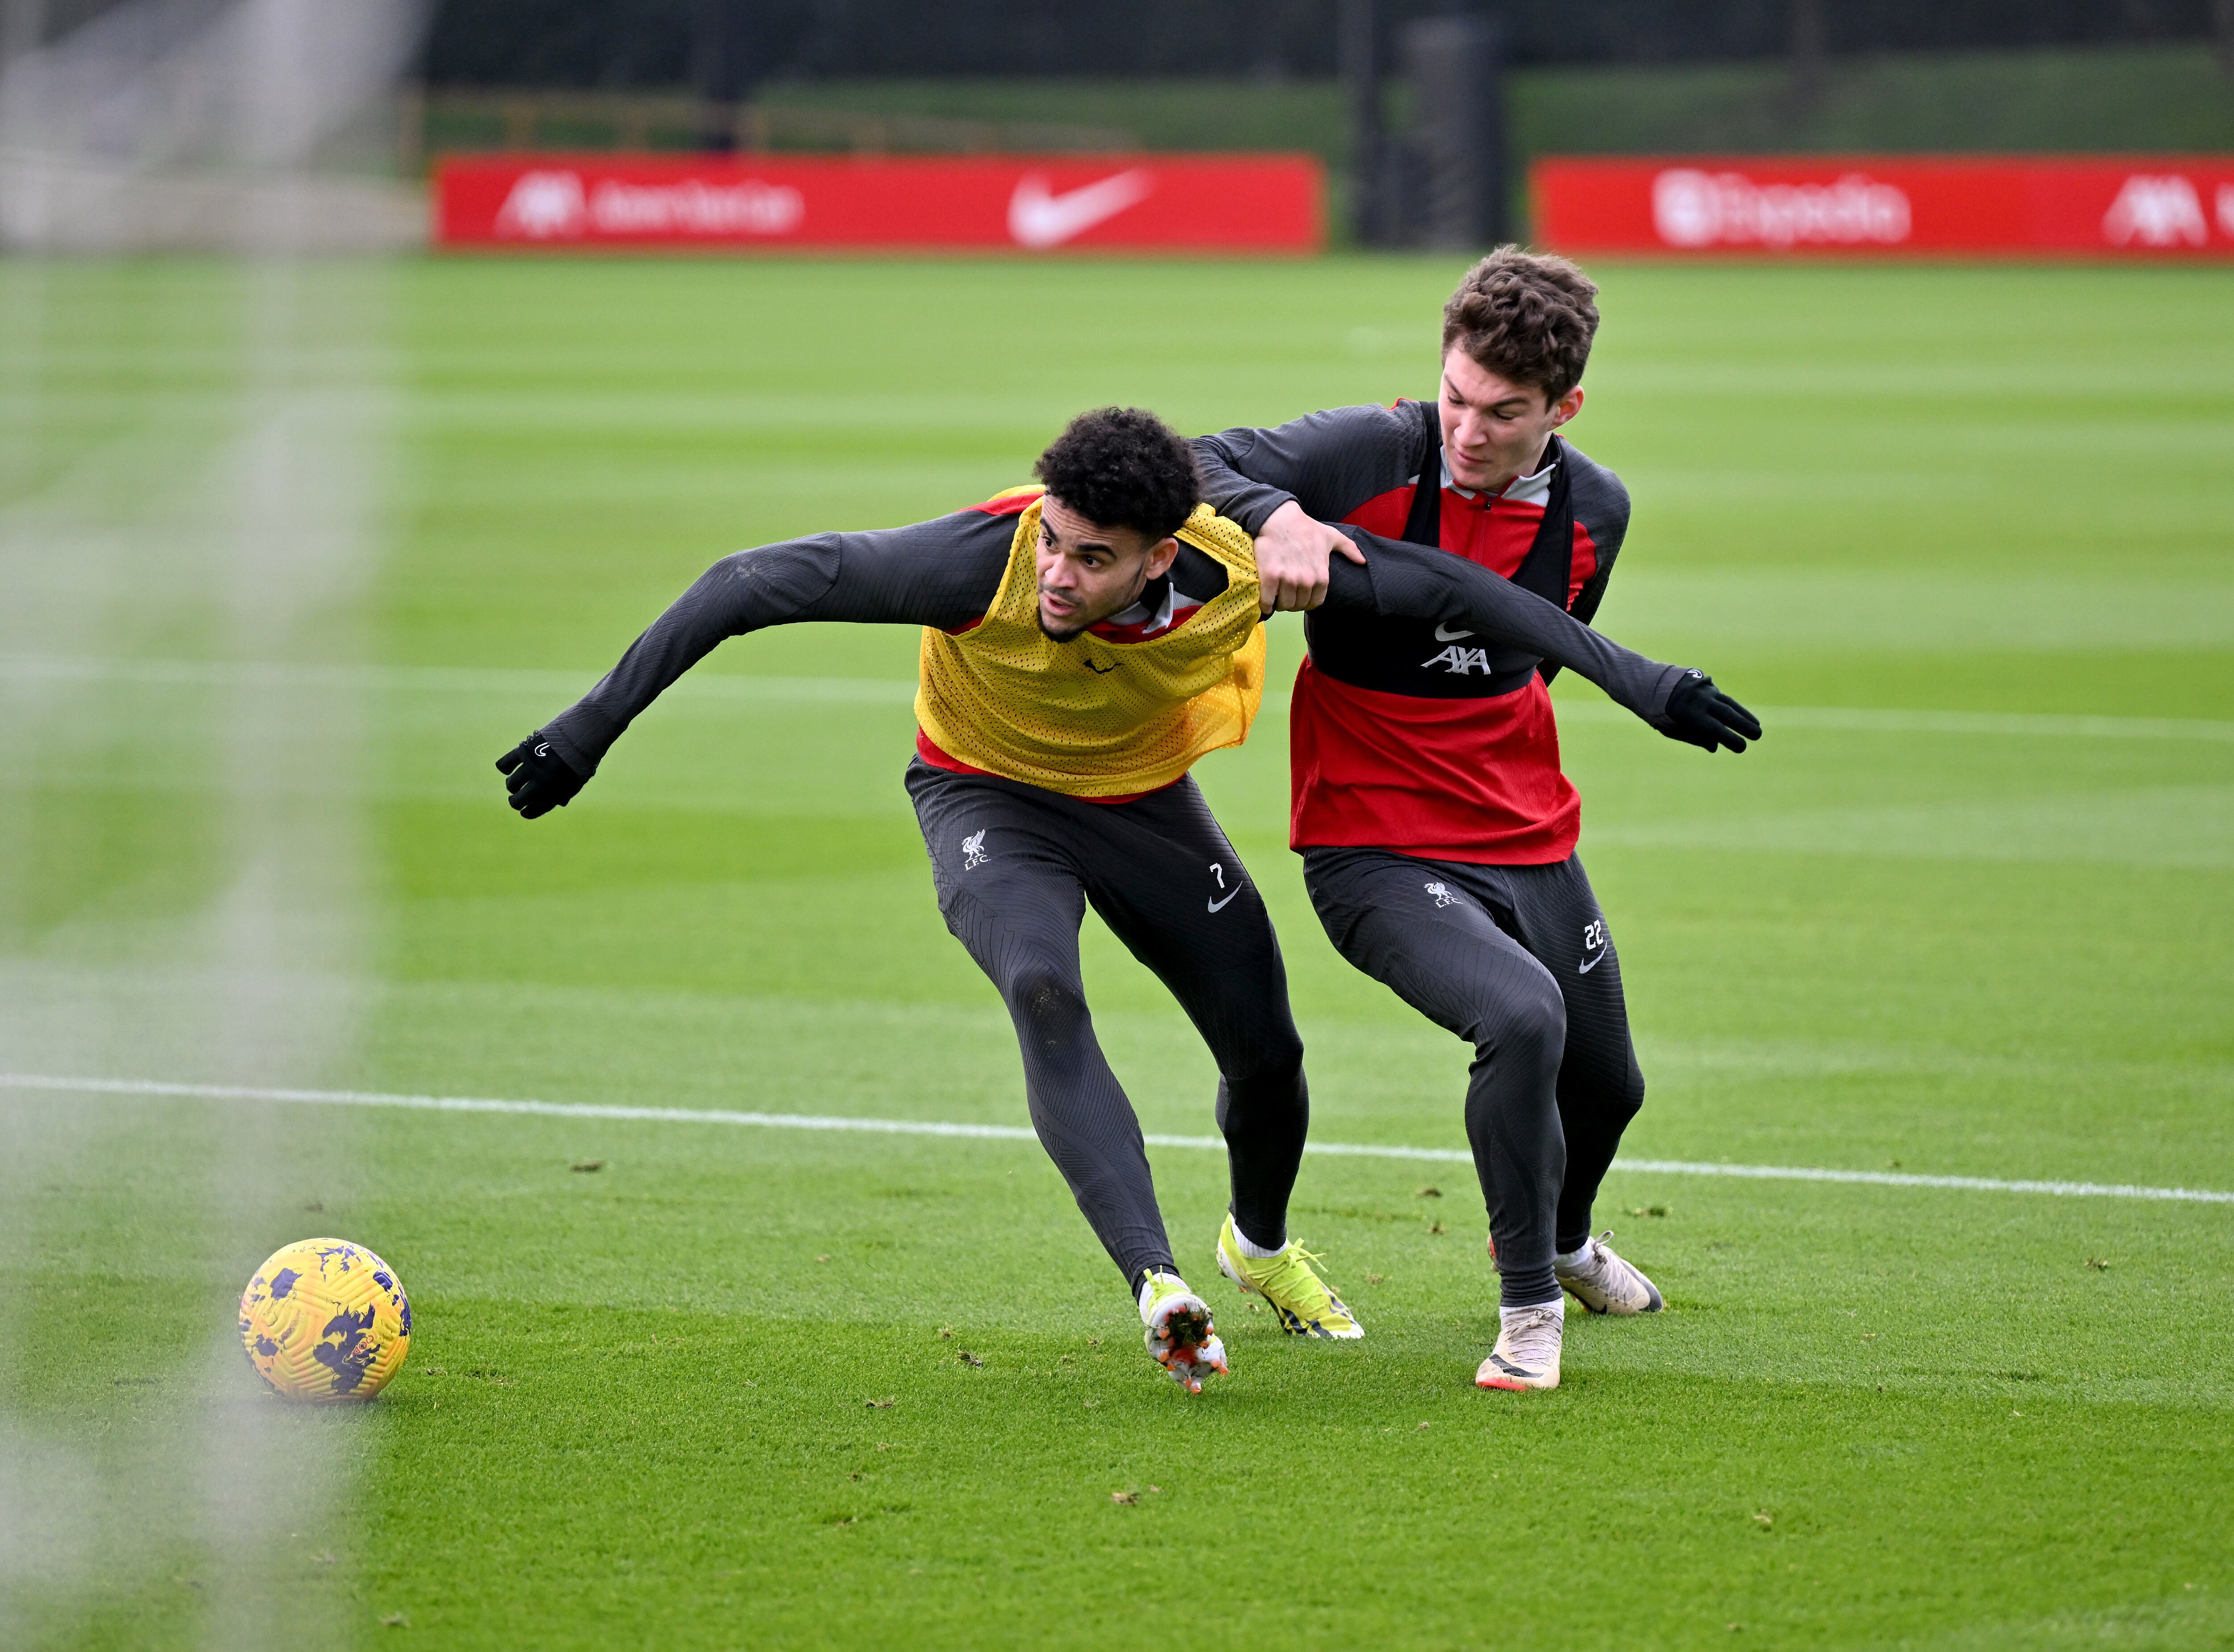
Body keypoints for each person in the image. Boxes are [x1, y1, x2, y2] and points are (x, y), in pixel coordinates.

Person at [497, 406, 1753, 1391]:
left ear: (1161, 554)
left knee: (1267, 1054)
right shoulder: (975, 565)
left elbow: (1465, 594)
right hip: (986, 799)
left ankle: (1258, 1248)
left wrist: (1642, 682)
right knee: (1043, 987)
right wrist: (585, 731)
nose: (1056, 573)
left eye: (1092, 558)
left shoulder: (1246, 568)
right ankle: (1159, 1283)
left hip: (1146, 805)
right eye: (1053, 538)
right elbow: (749, 581)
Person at [1193, 248, 1761, 1392]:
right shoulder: (1367, 451)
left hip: (1527, 832)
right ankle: (1528, 1308)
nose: (1467, 430)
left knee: (1609, 1086)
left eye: (1504, 413)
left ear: (1563, 409)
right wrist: (1278, 513)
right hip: (1369, 842)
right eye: (1456, 397)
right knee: (1520, 1014)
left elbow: (1534, 652)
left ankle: (1566, 1239)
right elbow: (1192, 461)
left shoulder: (1595, 511)